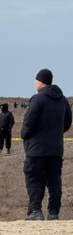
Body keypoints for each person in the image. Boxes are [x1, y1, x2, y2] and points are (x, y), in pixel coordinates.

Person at [21, 68, 72, 221]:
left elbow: (29, 122)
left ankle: (36, 211)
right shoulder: (63, 100)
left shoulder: (37, 99)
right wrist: (54, 134)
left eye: (36, 80)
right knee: (54, 182)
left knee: (34, 180)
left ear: (40, 81)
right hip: (55, 149)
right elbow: (68, 123)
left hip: (36, 150)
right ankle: (54, 213)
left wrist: (25, 134)